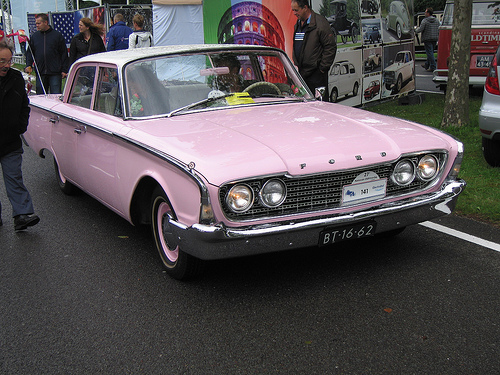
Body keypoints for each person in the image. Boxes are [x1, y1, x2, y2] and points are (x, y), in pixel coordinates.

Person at [0, 41, 40, 231]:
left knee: (14, 177)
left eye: (8, 61)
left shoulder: (16, 78)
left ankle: (22, 214)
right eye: (2, 61)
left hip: (10, 141)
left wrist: (21, 126)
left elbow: (24, 104)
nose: (6, 65)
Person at [291, 0, 336, 101]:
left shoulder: (320, 23)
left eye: (296, 10)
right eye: (293, 10)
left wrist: (322, 69)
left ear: (305, 8)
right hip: (302, 74)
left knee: (320, 104)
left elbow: (330, 47)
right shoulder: (298, 24)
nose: (294, 13)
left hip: (317, 75)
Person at [25, 13, 69, 95]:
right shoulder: (35, 37)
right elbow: (30, 53)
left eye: (39, 23)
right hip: (40, 72)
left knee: (55, 95)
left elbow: (63, 53)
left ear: (45, 22)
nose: (37, 25)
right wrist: (28, 64)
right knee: (40, 96)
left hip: (55, 72)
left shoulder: (57, 35)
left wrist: (64, 69)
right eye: (36, 23)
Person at [415, 8, 440, 72]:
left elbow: (421, 29)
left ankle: (433, 66)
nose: (425, 13)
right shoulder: (437, 20)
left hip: (427, 38)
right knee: (431, 52)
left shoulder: (425, 21)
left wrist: (415, 31)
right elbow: (439, 29)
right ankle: (427, 64)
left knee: (430, 52)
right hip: (435, 38)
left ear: (428, 13)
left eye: (425, 12)